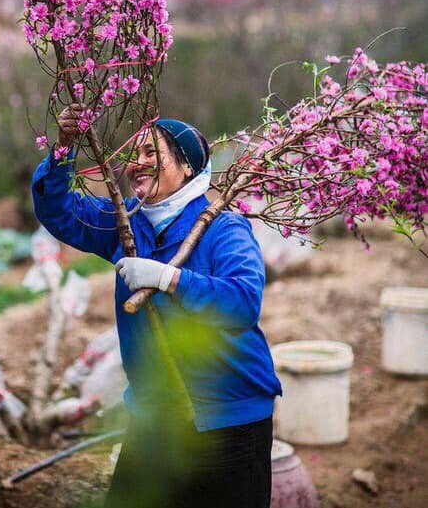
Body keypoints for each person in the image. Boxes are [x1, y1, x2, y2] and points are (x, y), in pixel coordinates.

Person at [32, 106, 282, 508]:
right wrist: (64, 147)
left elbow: (243, 302)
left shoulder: (223, 228)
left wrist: (169, 279)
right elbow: (57, 211)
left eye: (153, 153)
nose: (138, 163)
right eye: (136, 154)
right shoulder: (126, 222)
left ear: (186, 168)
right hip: (155, 415)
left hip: (230, 417)